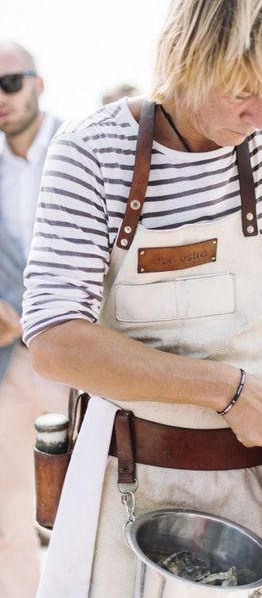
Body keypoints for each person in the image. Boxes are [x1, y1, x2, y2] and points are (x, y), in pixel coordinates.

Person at [23, 0, 262, 597]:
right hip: (127, 481)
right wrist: (227, 391)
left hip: (260, 481)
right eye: (244, 89)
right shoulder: (90, 153)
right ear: (185, 60)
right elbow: (54, 338)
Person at [0, 41, 69, 598]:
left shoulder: (78, 149)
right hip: (7, 367)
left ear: (38, 83)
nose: (2, 98)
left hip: (79, 359)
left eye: (11, 82)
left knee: (93, 501)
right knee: (6, 516)